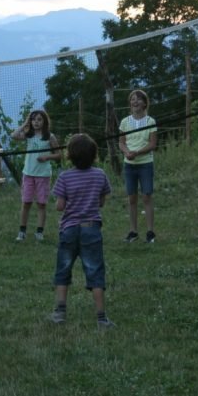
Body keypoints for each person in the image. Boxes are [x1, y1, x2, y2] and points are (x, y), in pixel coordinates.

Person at [50, 133, 115, 328]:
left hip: (69, 230)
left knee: (63, 270)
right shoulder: (100, 175)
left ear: (70, 155)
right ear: (94, 155)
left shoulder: (64, 177)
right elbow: (101, 201)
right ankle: (101, 317)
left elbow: (60, 206)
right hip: (91, 229)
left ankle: (60, 313)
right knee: (95, 271)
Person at [12, 109, 61, 242]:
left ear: (44, 121)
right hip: (28, 173)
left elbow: (58, 154)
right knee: (26, 202)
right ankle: (22, 231)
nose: (36, 122)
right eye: (33, 120)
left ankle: (39, 232)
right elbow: (14, 135)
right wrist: (24, 124)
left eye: (39, 119)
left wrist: (46, 157)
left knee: (41, 204)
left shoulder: (50, 137)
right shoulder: (29, 135)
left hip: (43, 175)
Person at [119, 89, 158, 243]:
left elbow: (153, 143)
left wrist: (137, 152)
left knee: (147, 196)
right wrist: (127, 152)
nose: (135, 102)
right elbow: (121, 142)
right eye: (132, 99)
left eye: (138, 99)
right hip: (129, 164)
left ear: (144, 103)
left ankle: (150, 232)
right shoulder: (124, 122)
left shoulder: (150, 121)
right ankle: (133, 231)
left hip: (145, 164)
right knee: (132, 198)